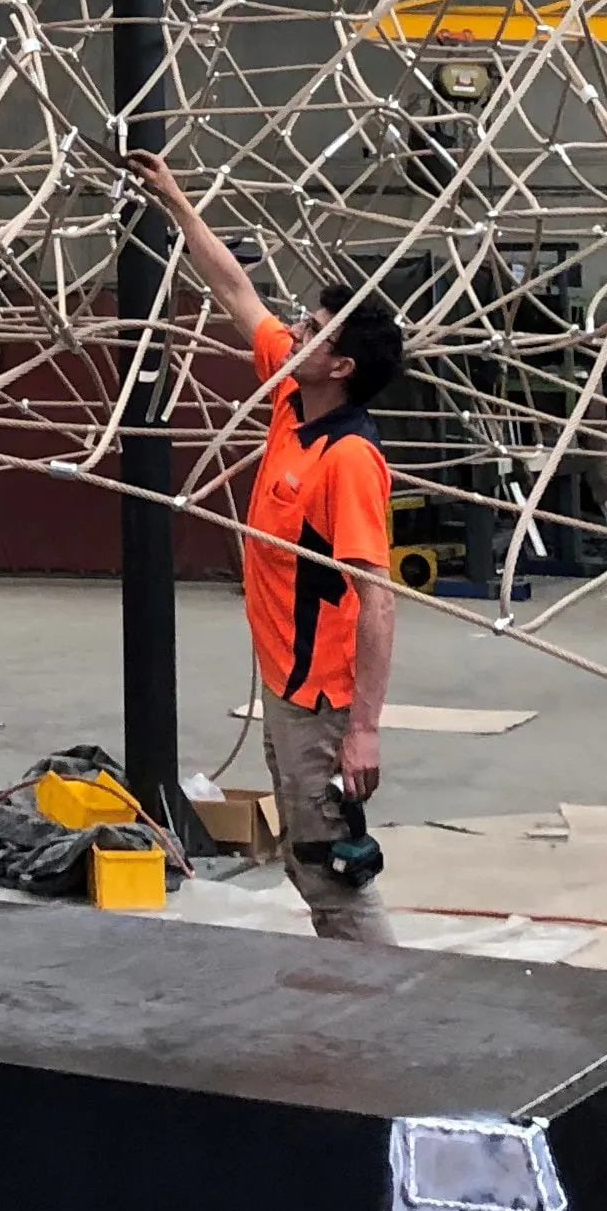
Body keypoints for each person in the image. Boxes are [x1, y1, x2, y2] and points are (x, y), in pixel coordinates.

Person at [128, 148, 409, 944]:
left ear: (341, 366)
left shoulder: (348, 460)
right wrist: (178, 202)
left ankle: (385, 1011)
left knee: (330, 864)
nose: (298, 331)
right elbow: (235, 291)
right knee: (307, 859)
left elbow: (376, 597)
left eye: (314, 330)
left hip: (321, 700)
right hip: (287, 683)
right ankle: (357, 1001)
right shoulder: (291, 392)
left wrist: (364, 727)